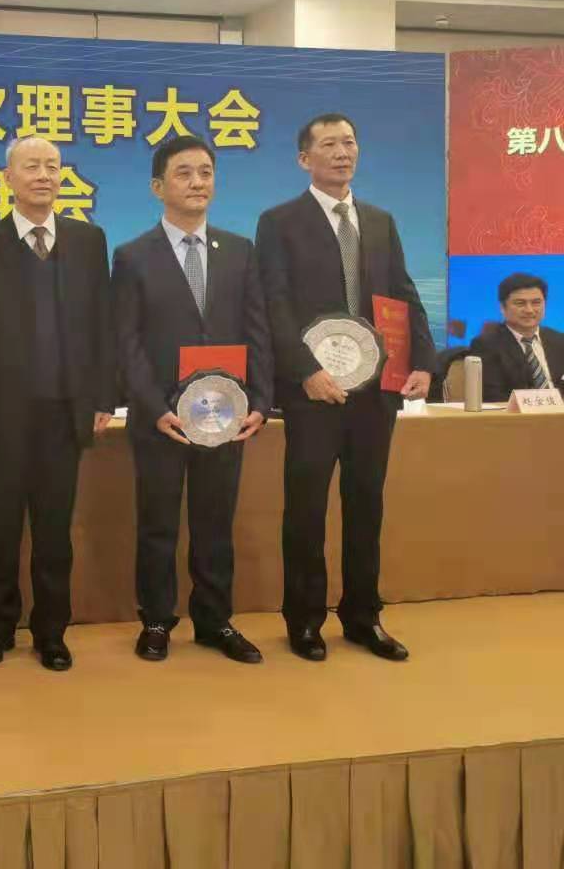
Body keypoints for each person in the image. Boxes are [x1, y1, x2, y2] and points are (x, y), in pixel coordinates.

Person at [255, 113, 435, 663]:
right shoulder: (279, 222)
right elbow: (274, 304)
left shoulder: (379, 221)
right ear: (304, 158)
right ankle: (304, 620)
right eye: (329, 144)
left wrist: (423, 361)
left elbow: (403, 293)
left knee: (366, 506)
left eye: (350, 142)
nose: (342, 152)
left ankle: (363, 616)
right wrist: (304, 371)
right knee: (306, 510)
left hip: (376, 393)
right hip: (314, 392)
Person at [112, 135, 273, 664]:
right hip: (159, 419)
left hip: (225, 417)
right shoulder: (133, 256)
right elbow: (127, 342)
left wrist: (260, 400)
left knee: (215, 523)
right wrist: (154, 407)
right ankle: (157, 621)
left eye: (205, 172)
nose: (197, 182)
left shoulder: (240, 251)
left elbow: (258, 331)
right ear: (158, 187)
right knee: (158, 524)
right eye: (184, 173)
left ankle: (215, 620)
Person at [0, 136, 113, 672]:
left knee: (53, 530)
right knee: (0, 528)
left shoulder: (88, 240)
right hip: (2, 414)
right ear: (8, 178)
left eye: (52, 166)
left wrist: (102, 396)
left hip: (64, 411)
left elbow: (102, 323)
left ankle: (52, 631)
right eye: (32, 166)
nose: (44, 175)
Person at [470, 273, 562, 400]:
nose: (529, 310)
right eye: (520, 303)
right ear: (502, 308)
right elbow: (493, 396)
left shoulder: (559, 341)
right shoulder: (486, 345)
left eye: (536, 303)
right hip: (517, 411)